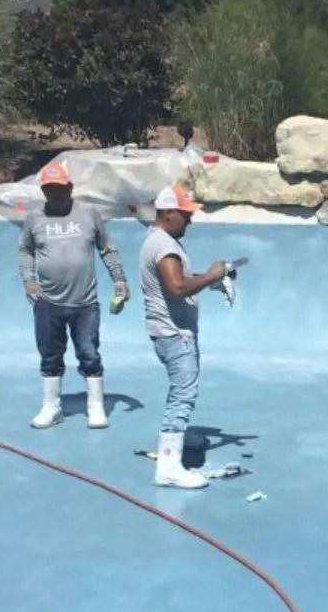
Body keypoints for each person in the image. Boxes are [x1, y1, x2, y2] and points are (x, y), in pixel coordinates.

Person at [18, 161, 128, 429]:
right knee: (50, 354)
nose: (54, 193)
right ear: (43, 191)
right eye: (48, 188)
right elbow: (25, 250)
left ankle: (96, 407)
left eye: (59, 187)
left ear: (70, 187)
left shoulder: (89, 214)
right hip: (48, 302)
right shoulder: (34, 218)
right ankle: (51, 407)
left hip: (85, 303)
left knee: (89, 353)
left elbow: (107, 249)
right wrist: (29, 280)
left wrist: (119, 280)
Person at [140, 185, 228, 489]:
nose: (190, 220)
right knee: (184, 394)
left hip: (172, 332)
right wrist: (210, 276)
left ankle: (176, 438)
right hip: (174, 334)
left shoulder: (159, 240)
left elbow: (175, 282)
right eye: (185, 214)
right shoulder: (164, 246)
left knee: (182, 388)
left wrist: (208, 279)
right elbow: (177, 287)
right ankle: (168, 467)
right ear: (168, 213)